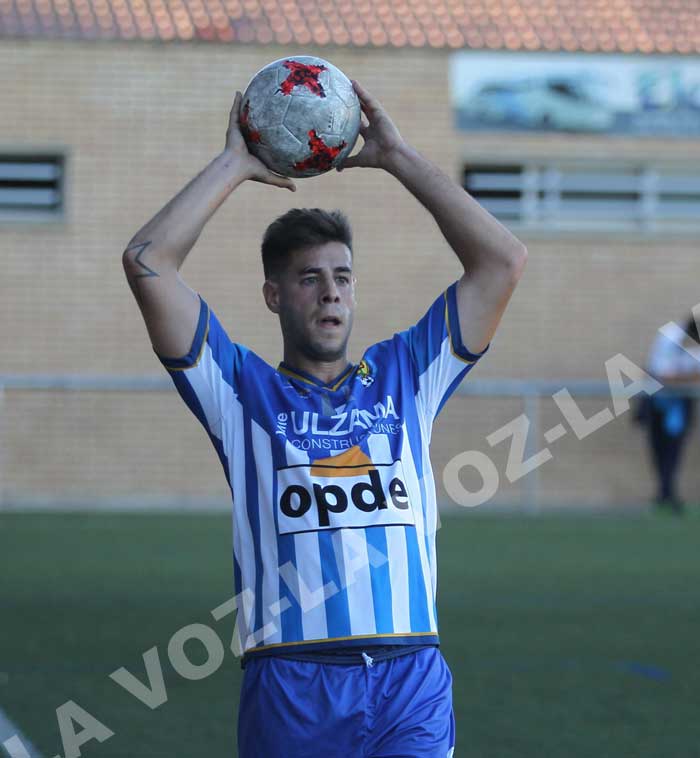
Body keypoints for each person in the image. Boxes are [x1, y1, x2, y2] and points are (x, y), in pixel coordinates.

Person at [123, 79, 527, 757]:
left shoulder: (405, 376)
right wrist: (234, 164)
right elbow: (146, 263)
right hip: (292, 685)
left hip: (410, 679)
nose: (331, 293)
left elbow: (503, 261)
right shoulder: (242, 393)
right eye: (310, 278)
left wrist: (398, 157)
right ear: (274, 295)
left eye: (342, 277)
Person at [642, 315, 700, 514]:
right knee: (658, 446)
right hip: (658, 400)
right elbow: (662, 375)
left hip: (681, 402)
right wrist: (688, 378)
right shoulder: (669, 337)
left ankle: (667, 492)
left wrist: (681, 379)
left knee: (674, 448)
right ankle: (664, 491)